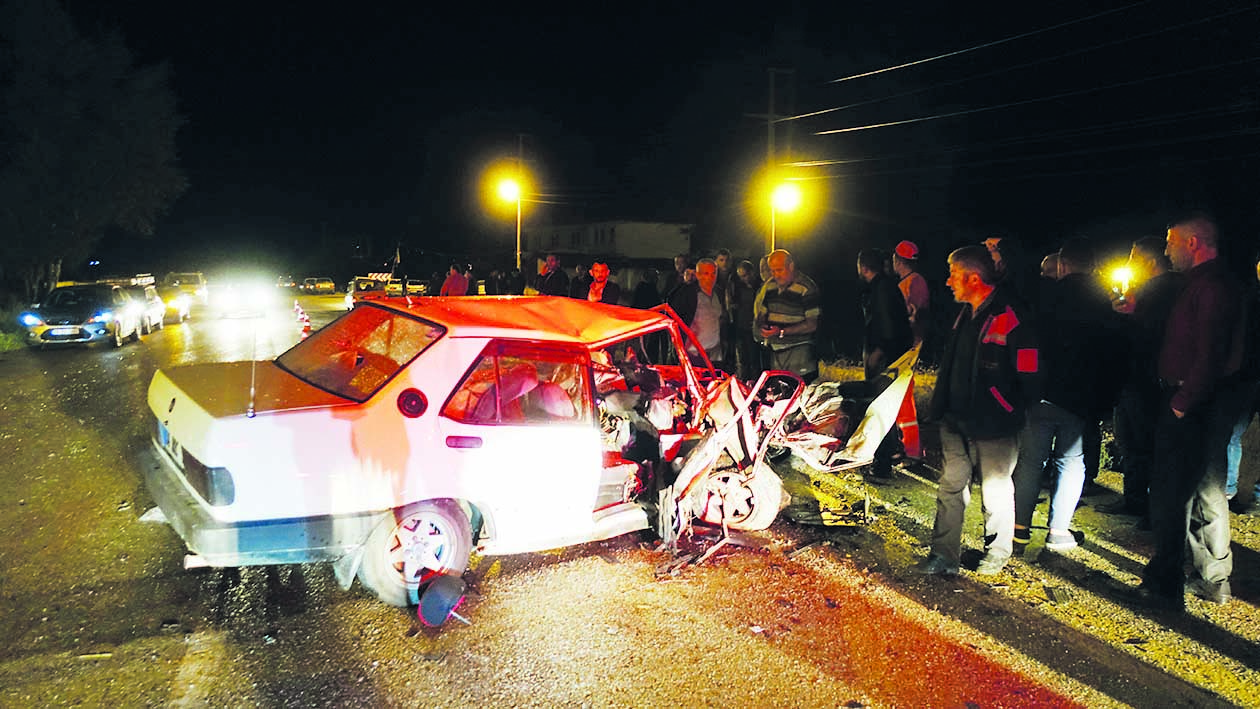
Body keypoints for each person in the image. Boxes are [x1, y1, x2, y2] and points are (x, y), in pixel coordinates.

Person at [1127, 212, 1241, 612]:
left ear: (1193, 243)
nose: (1167, 248)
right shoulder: (1199, 284)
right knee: (1200, 489)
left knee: (1176, 494)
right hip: (1190, 401)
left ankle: (1168, 582)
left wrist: (1182, 401)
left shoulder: (1211, 287)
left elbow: (1210, 351)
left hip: (1191, 403)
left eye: (1172, 240)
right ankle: (1209, 578)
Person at [916, 245, 1041, 577]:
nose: (947, 282)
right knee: (950, 488)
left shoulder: (1011, 316)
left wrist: (1008, 407)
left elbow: (1030, 373)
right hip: (957, 420)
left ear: (973, 278)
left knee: (996, 490)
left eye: (953, 274)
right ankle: (944, 557)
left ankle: (997, 552)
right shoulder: (967, 313)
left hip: (995, 424)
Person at [1012, 237, 1123, 554]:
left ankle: (1019, 531)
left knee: (1031, 461)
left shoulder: (1044, 297)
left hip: (1041, 394)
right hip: (1081, 397)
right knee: (1071, 462)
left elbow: (1026, 342)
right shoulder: (1106, 302)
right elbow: (1113, 352)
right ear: (1094, 266)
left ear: (1062, 264)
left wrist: (1027, 383)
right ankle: (1058, 532)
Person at [1100, 237, 1183, 522]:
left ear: (1148, 261)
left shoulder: (1166, 290)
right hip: (1133, 376)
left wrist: (1126, 315)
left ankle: (1153, 508)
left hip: (1148, 378)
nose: (1129, 263)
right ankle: (1135, 499)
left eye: (1133, 257)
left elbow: (1150, 333)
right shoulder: (1150, 291)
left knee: (1148, 444)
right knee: (1130, 441)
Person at [857, 248, 914, 481]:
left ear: (863, 267)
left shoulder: (881, 289)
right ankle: (891, 450)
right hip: (894, 356)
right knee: (885, 405)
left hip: (886, 358)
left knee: (879, 407)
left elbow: (886, 323)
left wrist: (877, 352)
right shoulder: (887, 286)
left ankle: (882, 463)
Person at [753, 249, 822, 383]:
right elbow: (762, 313)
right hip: (776, 355)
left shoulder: (806, 288)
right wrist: (762, 326)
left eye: (779, 270)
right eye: (772, 271)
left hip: (800, 355)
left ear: (791, 266)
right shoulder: (770, 286)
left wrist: (782, 332)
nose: (775, 275)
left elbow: (813, 324)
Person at [669, 258, 727, 370]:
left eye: (714, 273)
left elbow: (721, 319)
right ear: (698, 275)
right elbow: (674, 318)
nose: (711, 277)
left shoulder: (719, 293)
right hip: (693, 354)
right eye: (706, 273)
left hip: (715, 355)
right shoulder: (687, 293)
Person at [892, 241, 930, 348]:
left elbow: (916, 314)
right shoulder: (907, 281)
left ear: (897, 261)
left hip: (912, 345)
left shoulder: (915, 281)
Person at [729, 259, 763, 381]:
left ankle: (755, 384)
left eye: (745, 275)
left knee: (754, 359)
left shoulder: (760, 287)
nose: (744, 279)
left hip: (754, 326)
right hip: (741, 326)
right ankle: (744, 383)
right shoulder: (738, 288)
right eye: (741, 276)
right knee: (743, 359)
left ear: (752, 273)